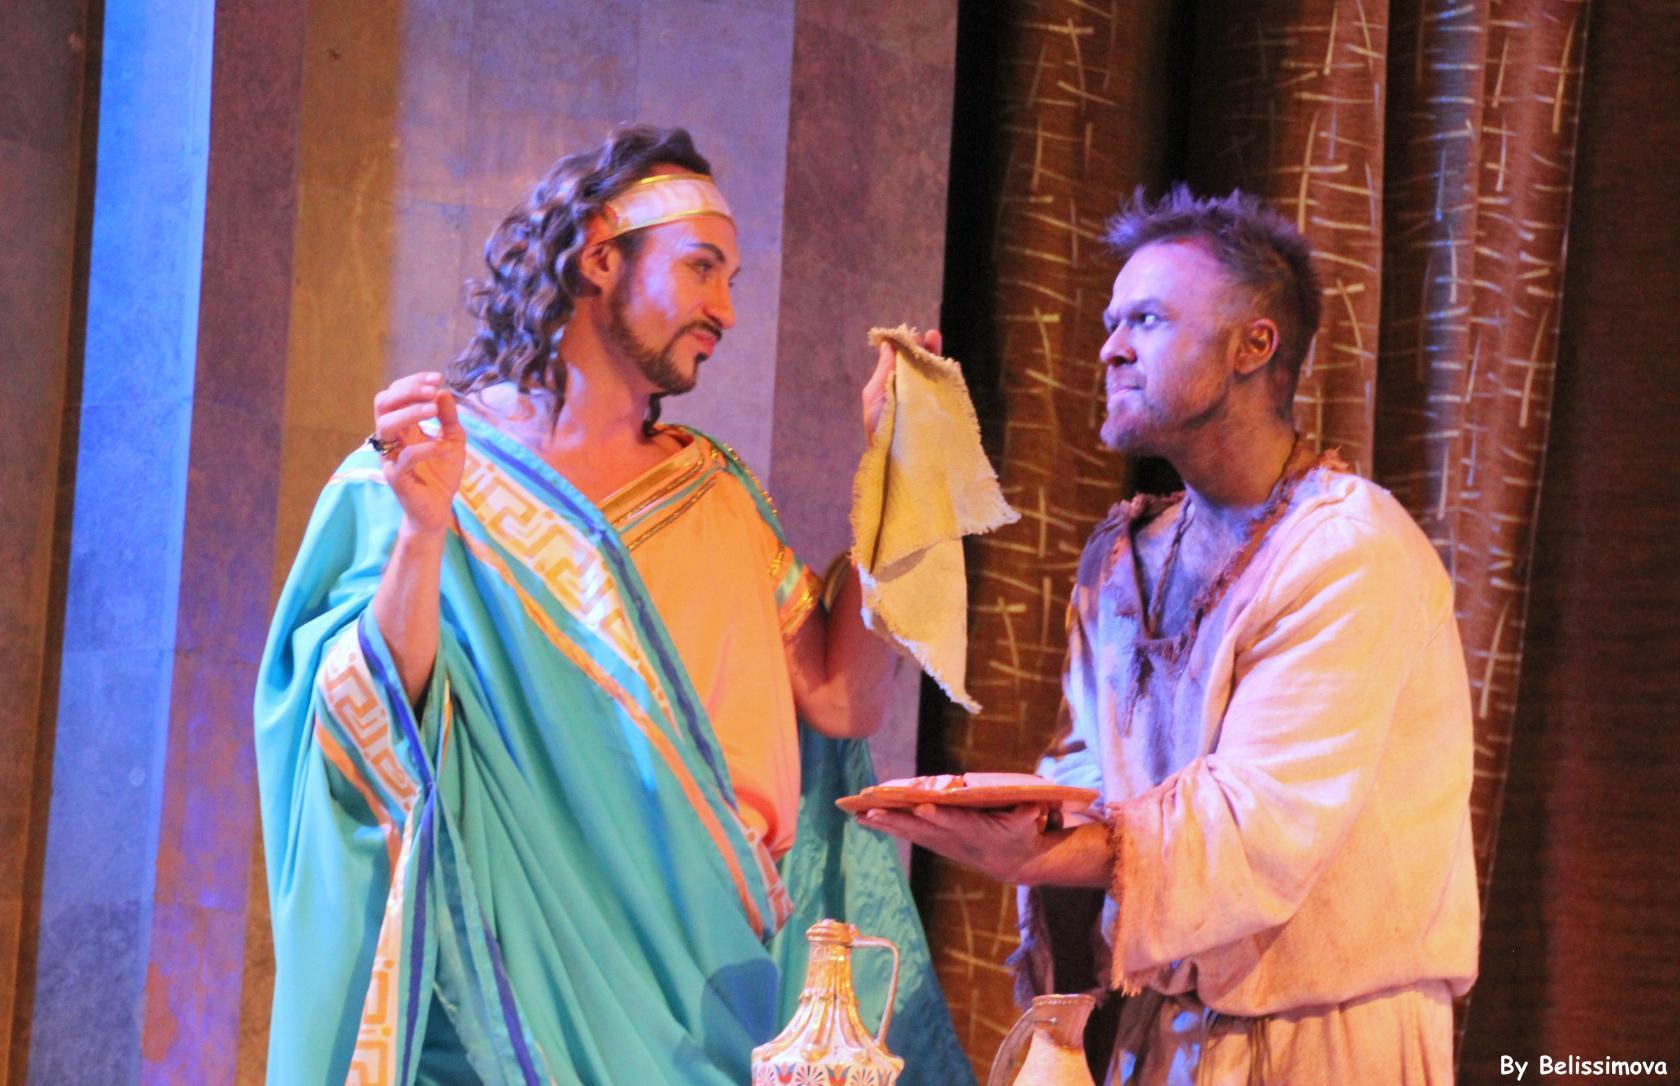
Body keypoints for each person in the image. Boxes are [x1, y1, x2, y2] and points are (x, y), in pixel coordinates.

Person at [255, 125, 971, 1085]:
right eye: (702, 268)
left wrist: (901, 474)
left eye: (732, 281)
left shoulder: (714, 495)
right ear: (600, 257)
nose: (724, 310)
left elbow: (846, 699)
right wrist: (422, 535)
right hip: (489, 1008)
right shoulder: (432, 469)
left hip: (701, 996)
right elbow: (366, 722)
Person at [860, 186, 1481, 1084]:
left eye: (1145, 320)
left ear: (1252, 346)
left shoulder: (1348, 549)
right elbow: (1088, 773)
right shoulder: (1124, 558)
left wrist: (1048, 850)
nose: (1110, 347)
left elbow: (1263, 823)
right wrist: (1009, 818)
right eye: (1111, 323)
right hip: (1166, 1039)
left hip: (1326, 1041)